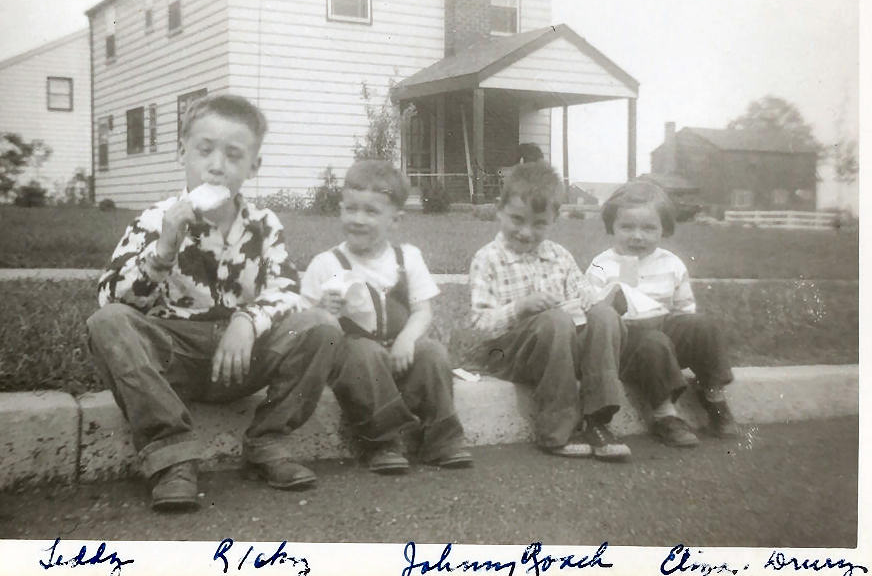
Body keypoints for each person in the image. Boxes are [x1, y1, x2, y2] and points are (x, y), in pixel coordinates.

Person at [88, 94, 382, 512]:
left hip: (245, 359)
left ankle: (269, 441)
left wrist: (247, 320)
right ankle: (171, 457)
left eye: (233, 155)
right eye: (204, 150)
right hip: (176, 356)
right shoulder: (155, 220)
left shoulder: (264, 225)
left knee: (321, 326)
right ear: (182, 152)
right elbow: (111, 297)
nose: (216, 165)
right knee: (108, 324)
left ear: (253, 167)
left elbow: (285, 287)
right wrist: (163, 251)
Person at [300, 160, 473, 473]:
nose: (358, 219)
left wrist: (407, 338)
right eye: (351, 209)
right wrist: (325, 312)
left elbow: (423, 310)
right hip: (357, 364)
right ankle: (382, 441)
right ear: (340, 210)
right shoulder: (326, 264)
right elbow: (306, 325)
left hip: (399, 353)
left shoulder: (407, 258)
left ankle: (442, 438)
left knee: (432, 352)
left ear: (395, 220)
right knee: (364, 352)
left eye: (371, 212)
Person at [468, 161, 630, 461]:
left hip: (559, 350)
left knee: (604, 316)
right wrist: (519, 308)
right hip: (507, 354)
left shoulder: (560, 257)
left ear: (554, 219)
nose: (526, 232)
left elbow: (586, 297)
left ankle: (598, 421)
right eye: (517, 219)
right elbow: (479, 326)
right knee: (555, 321)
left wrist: (596, 303)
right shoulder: (487, 259)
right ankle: (556, 430)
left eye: (539, 223)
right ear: (499, 210)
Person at [586, 180, 740, 447]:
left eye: (648, 228)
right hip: (628, 347)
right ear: (612, 226)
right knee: (653, 341)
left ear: (664, 229)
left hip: (664, 332)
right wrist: (617, 297)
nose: (637, 236)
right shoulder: (604, 264)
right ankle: (664, 414)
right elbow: (594, 315)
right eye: (627, 227)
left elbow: (684, 310)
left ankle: (713, 394)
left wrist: (675, 323)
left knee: (703, 326)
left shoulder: (670, 263)